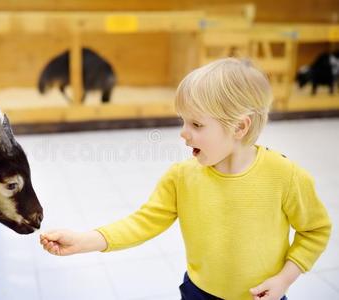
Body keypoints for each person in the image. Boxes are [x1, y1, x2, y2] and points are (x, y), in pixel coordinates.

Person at [40, 58, 332, 300]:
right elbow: (142, 222)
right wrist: (84, 240)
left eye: (196, 124)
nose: (183, 132)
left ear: (239, 127)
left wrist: (284, 279)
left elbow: (315, 231)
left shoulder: (285, 176)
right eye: (182, 120)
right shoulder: (182, 177)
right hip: (198, 293)